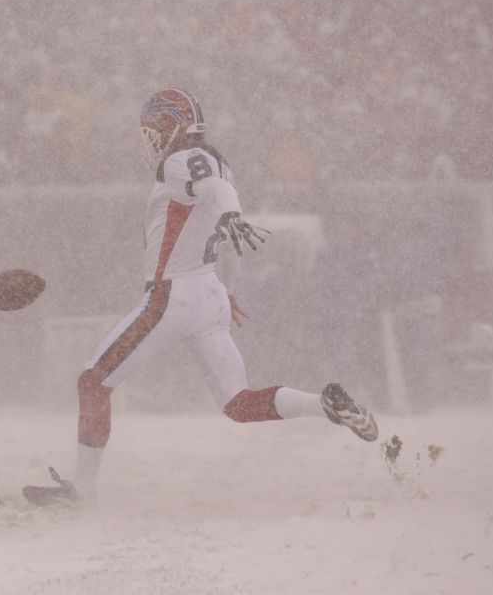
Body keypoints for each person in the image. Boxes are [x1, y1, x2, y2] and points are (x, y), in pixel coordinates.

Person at [24, 89, 379, 505]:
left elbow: (212, 191)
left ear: (171, 125)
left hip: (175, 294)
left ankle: (81, 492)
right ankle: (325, 404)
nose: (150, 141)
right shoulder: (219, 164)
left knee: (92, 382)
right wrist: (226, 287)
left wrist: (231, 215)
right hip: (208, 292)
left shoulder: (181, 162)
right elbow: (219, 215)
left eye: (153, 131)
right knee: (238, 403)